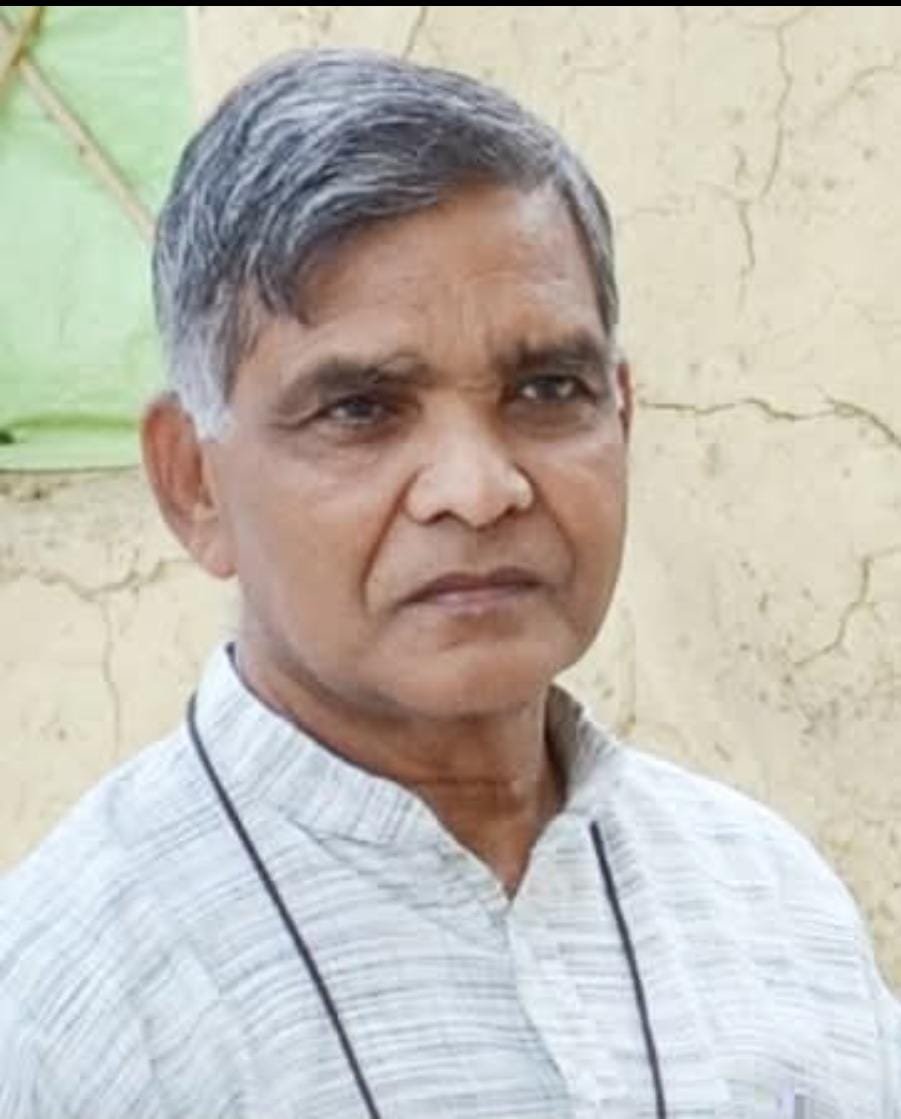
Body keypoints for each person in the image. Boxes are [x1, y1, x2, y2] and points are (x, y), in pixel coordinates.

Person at [0, 48, 897, 1119]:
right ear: (193, 481)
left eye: (546, 389)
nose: (478, 489)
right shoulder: (72, 1015)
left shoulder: (767, 905)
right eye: (361, 410)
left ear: (621, 416)